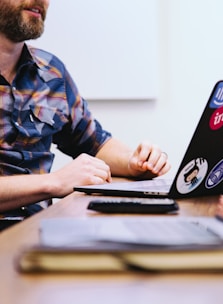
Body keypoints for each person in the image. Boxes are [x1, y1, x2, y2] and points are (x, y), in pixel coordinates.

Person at [0, 0, 170, 217]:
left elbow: (94, 143)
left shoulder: (51, 73)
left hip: (38, 231)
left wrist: (133, 161)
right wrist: (54, 183)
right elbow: (57, 182)